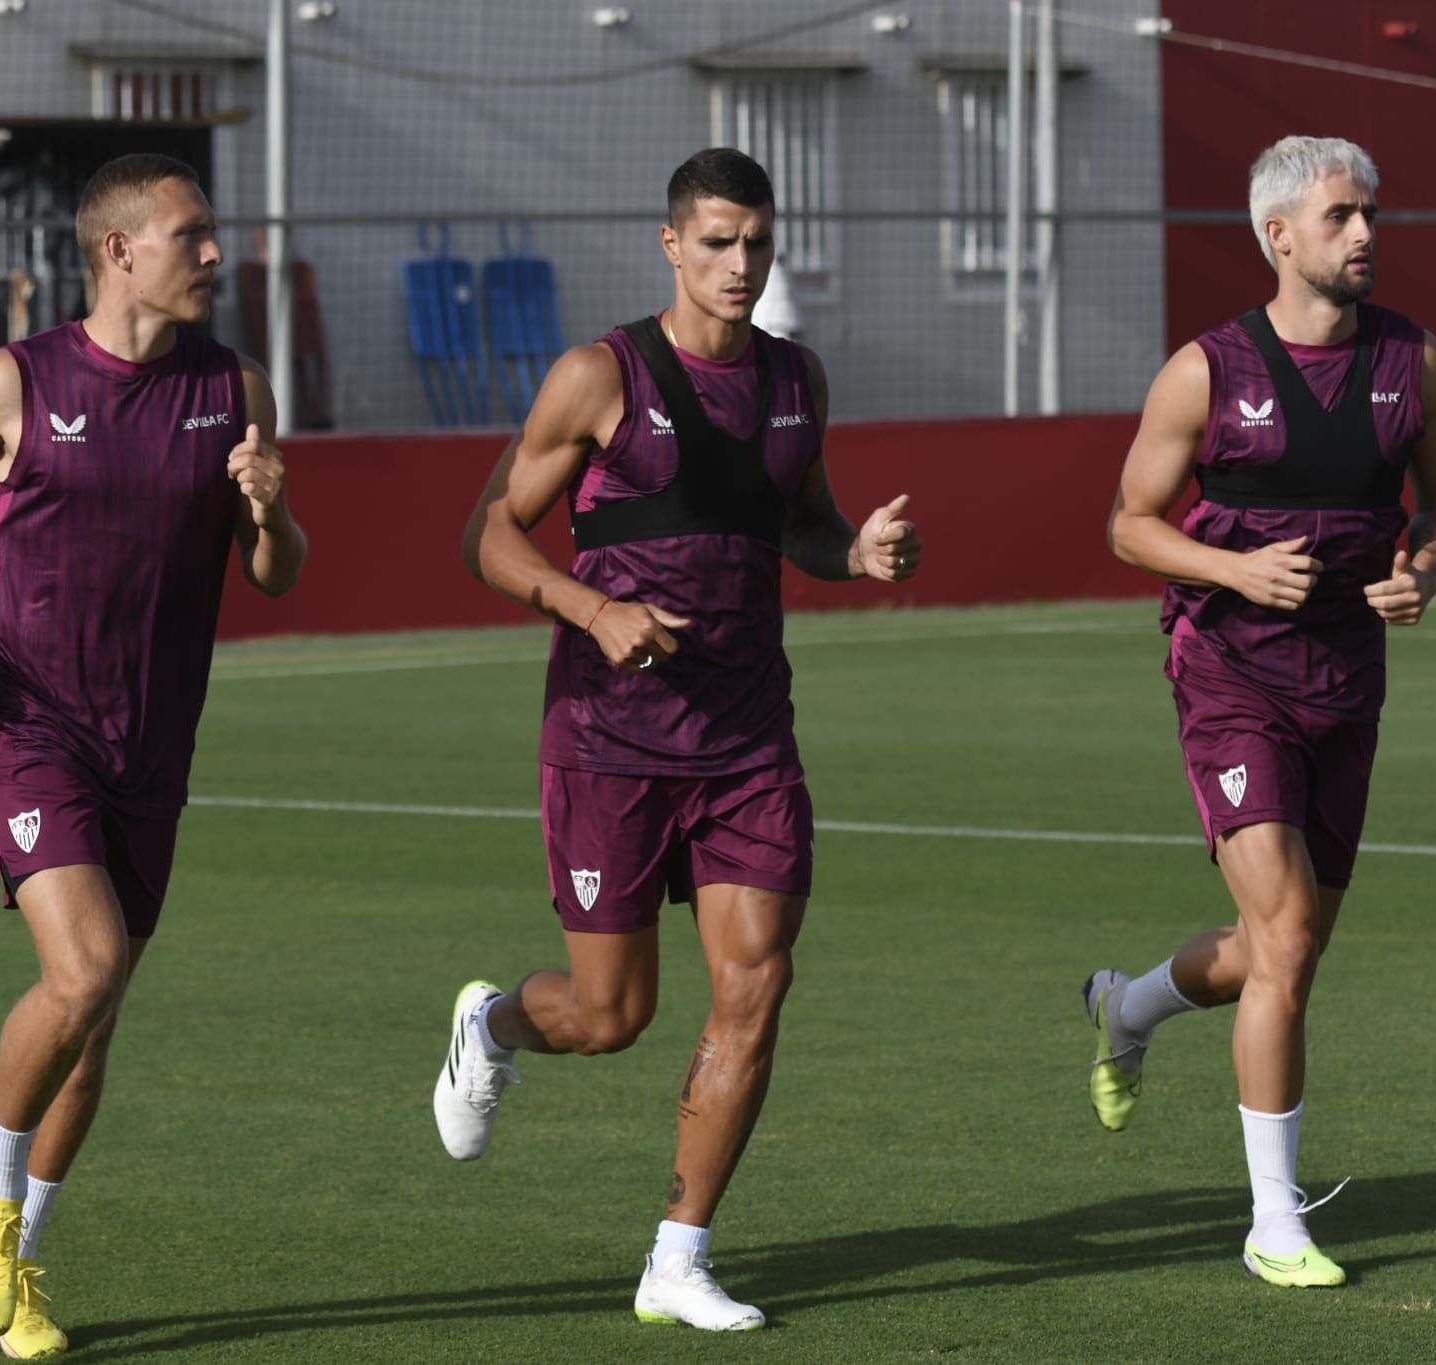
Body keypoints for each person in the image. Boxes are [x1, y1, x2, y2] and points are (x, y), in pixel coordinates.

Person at [438, 147, 920, 1331]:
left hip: (748, 739)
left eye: (755, 242)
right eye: (715, 242)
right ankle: (490, 1024)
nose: (739, 264)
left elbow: (799, 523)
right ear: (671, 244)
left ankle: (677, 1256)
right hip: (608, 741)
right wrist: (593, 610)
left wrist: (851, 552)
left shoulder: (797, 379)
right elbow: (487, 537)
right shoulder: (600, 377)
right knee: (609, 1018)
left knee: (755, 985)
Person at [0, 153, 306, 1358]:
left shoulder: (236, 387)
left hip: (154, 739)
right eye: (193, 235)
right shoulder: (14, 382)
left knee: (94, 1030)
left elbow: (277, 574)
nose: (215, 254)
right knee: (87, 968)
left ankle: (21, 1260)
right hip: (26, 722)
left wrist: (271, 508)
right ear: (120, 251)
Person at [1090, 135, 1436, 1288]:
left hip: (1346, 683)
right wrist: (1234, 572)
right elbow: (1127, 523)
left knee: (1273, 950)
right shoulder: (1205, 371)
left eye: (1370, 214)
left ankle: (1127, 1007)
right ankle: (1272, 1220)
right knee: (1287, 937)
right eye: (1342, 216)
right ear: (1278, 235)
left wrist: (1424, 572)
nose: (1364, 235)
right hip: (1228, 676)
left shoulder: (1415, 360)